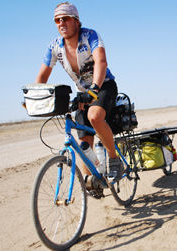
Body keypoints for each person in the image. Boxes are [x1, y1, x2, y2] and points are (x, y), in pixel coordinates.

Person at [35, 2, 123, 198]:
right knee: (84, 143)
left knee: (94, 116)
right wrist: (35, 97)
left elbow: (101, 61)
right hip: (82, 93)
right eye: (57, 20)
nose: (61, 23)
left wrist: (94, 90)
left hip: (103, 85)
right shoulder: (55, 46)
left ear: (75, 21)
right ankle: (93, 179)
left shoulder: (89, 35)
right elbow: (42, 77)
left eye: (65, 18)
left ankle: (114, 158)